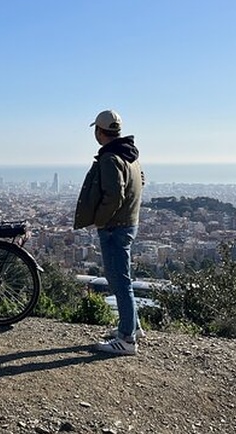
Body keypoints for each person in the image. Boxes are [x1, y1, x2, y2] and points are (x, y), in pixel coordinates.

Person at [74, 109, 145, 355]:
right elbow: (140, 182)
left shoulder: (110, 158)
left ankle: (126, 340)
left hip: (115, 226)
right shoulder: (131, 155)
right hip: (129, 221)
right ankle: (132, 326)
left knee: (119, 280)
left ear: (98, 131)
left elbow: (114, 195)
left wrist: (101, 220)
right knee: (122, 278)